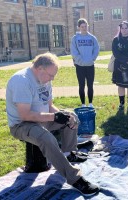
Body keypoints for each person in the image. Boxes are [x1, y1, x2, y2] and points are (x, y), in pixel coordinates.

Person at [6, 53, 99, 196]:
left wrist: (63, 116)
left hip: (42, 119)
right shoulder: (21, 81)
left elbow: (49, 107)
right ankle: (75, 179)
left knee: (71, 117)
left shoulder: (45, 79)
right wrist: (54, 116)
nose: (52, 79)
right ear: (40, 69)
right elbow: (25, 115)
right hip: (22, 125)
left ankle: (68, 154)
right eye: (51, 75)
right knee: (47, 138)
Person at [71, 18, 100, 108]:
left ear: (88, 26)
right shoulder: (75, 38)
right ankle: (83, 104)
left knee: (90, 85)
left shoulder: (92, 38)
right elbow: (74, 51)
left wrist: (92, 59)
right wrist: (80, 60)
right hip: (80, 66)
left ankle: (90, 103)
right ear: (79, 27)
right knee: (81, 85)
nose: (84, 28)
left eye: (85, 26)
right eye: (82, 26)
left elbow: (96, 49)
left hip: (90, 65)